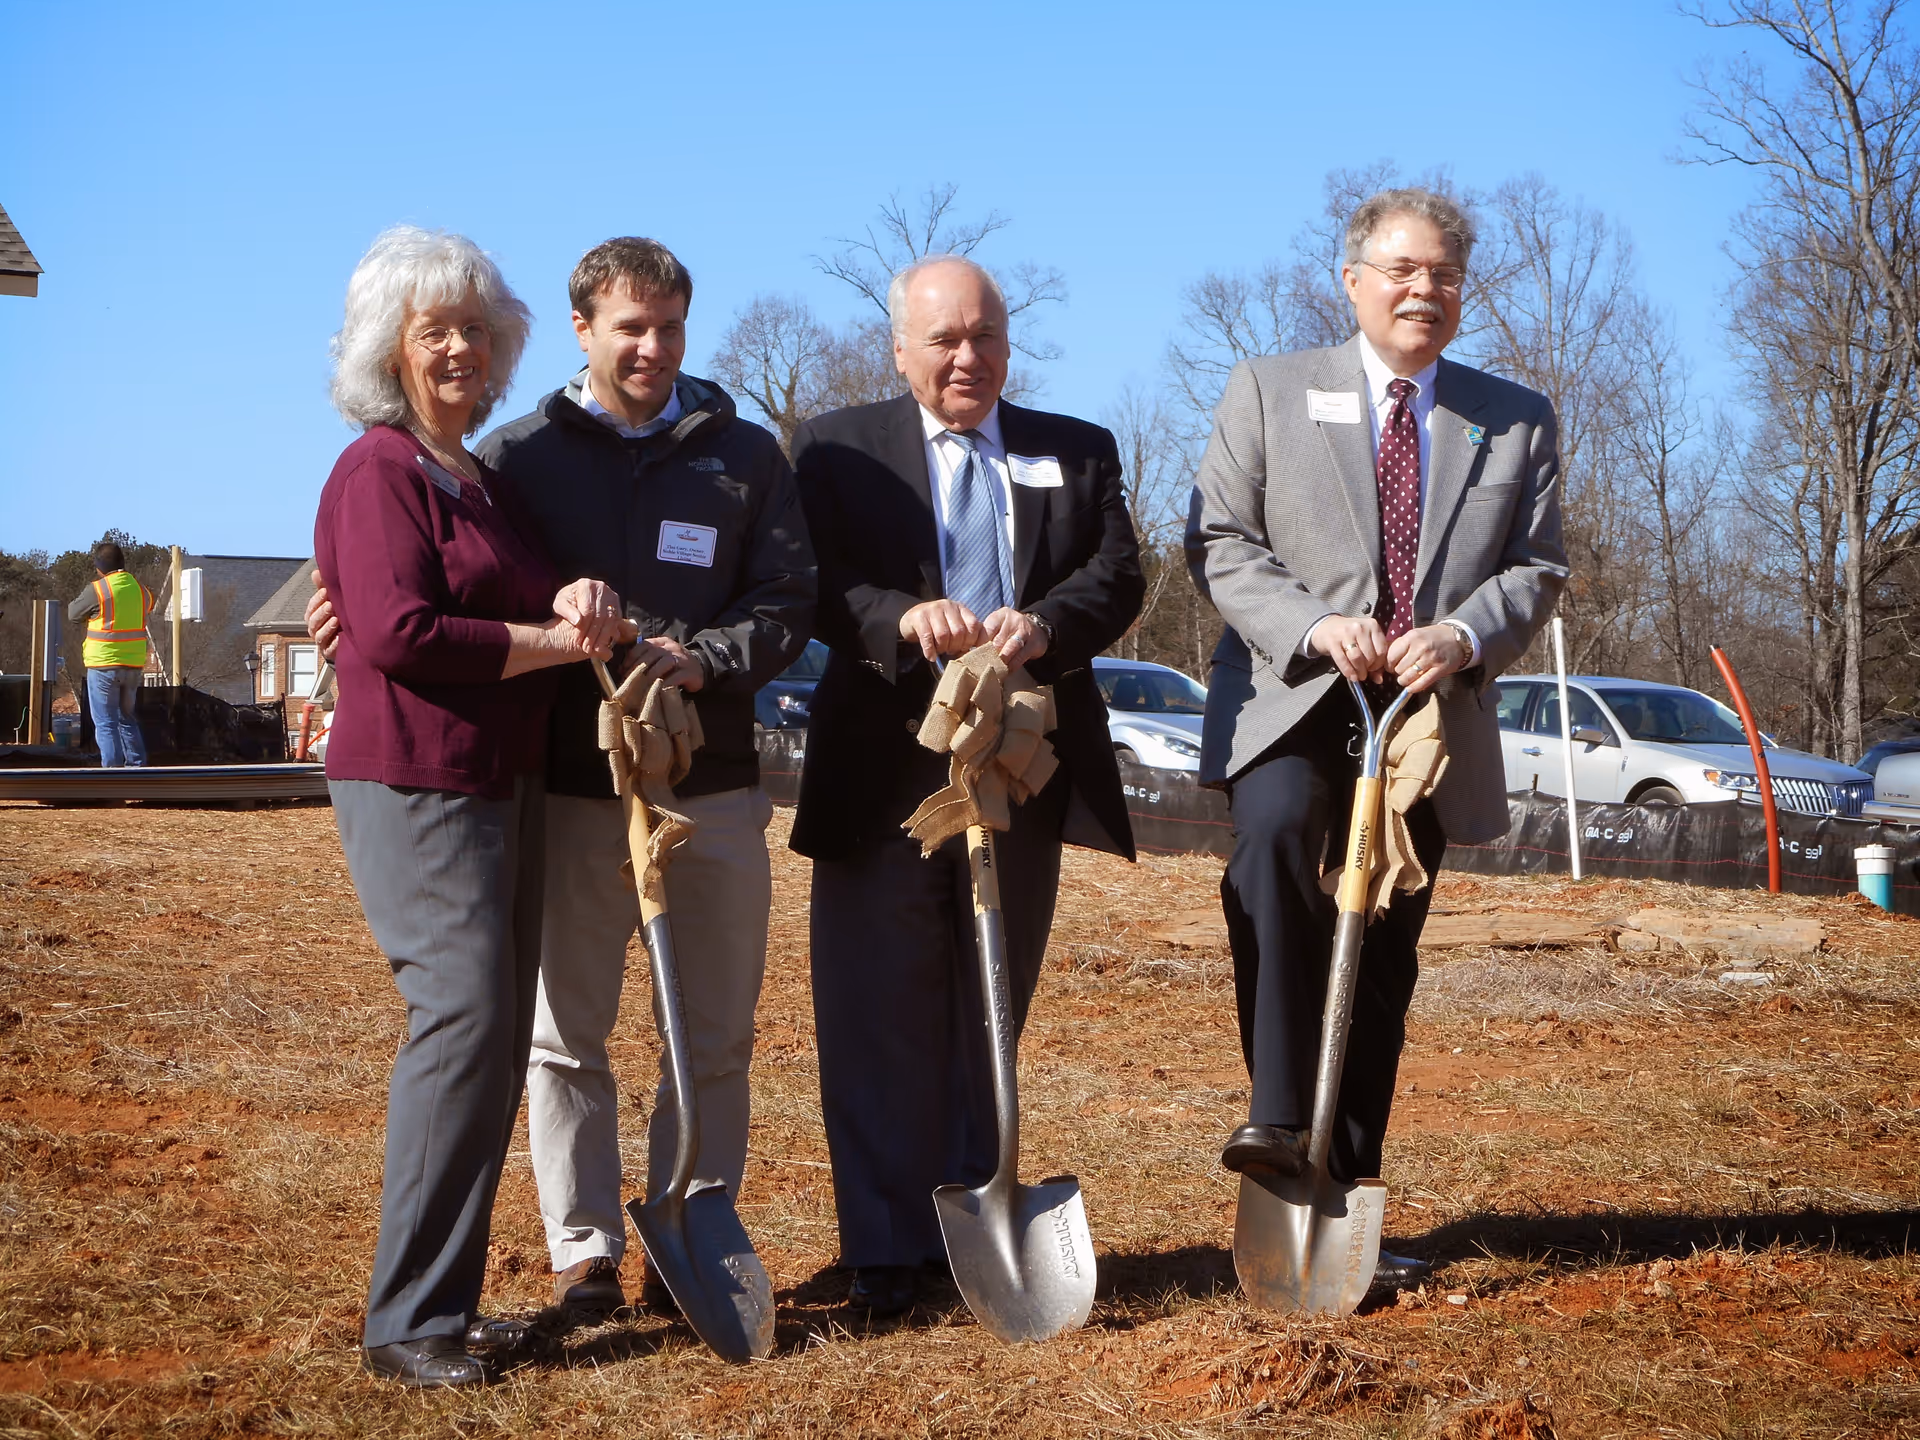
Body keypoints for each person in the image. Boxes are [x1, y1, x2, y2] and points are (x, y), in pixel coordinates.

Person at [312, 236, 815, 1319]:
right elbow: (435, 583)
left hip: (712, 779)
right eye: (630, 327)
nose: (652, 347)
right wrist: (344, 607)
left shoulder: (744, 456)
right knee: (560, 1032)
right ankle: (583, 1253)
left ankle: (696, 1221)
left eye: (671, 326)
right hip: (571, 785)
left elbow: (787, 600)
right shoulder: (517, 456)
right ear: (582, 329)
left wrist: (701, 656)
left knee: (716, 1032)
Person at [1185, 188, 1567, 1286]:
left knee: (1384, 949)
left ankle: (1344, 1191)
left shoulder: (1515, 416)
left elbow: (1538, 568)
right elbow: (1220, 537)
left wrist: (1458, 634)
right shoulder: (1269, 389)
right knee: (1275, 851)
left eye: (1444, 274)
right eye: (1401, 270)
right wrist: (1314, 626)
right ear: (1351, 280)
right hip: (1297, 696)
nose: (1423, 290)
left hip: (1423, 721)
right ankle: (1275, 1116)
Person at [791, 255, 1143, 1317]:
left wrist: (1045, 625)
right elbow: (811, 579)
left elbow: (1117, 574)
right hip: (883, 769)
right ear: (899, 349)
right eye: (943, 339)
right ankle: (888, 1251)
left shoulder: (1073, 452)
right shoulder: (838, 451)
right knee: (874, 1011)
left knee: (992, 998)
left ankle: (973, 1232)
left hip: (1020, 764)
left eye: (984, 335)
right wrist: (898, 616)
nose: (967, 357)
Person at [316, 225, 626, 1388]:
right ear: (388, 349)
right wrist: (551, 639)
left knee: (493, 1042)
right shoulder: (379, 469)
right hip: (416, 778)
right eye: (432, 328)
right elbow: (395, 630)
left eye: (475, 329)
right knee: (461, 1024)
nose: (459, 347)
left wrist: (581, 594)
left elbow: (537, 583)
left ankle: (439, 1306)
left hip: (506, 777)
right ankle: (405, 1322)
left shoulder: (479, 480)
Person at [69, 542, 154, 767]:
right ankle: (137, 769)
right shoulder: (141, 590)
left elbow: (73, 614)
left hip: (103, 665)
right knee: (127, 719)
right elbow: (147, 607)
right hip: (133, 666)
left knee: (106, 723)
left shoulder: (98, 589)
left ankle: (112, 776)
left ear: (99, 566)